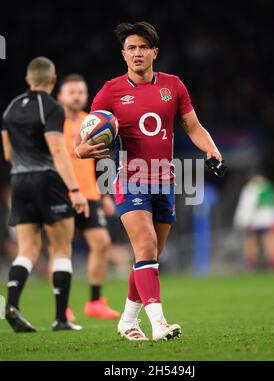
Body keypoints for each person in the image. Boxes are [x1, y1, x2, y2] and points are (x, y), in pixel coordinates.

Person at [75, 22, 222, 341]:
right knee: (144, 246)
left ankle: (127, 321)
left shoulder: (174, 86)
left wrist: (211, 148)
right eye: (131, 48)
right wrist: (81, 148)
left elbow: (192, 126)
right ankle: (160, 324)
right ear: (123, 54)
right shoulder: (111, 90)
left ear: (154, 52)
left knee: (149, 256)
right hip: (129, 178)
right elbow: (85, 133)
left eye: (143, 47)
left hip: (165, 181)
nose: (138, 53)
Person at [0, 57, 107, 332]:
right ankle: (61, 318)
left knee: (27, 250)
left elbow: (9, 154)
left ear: (27, 80)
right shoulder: (51, 108)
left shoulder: (10, 109)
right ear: (52, 80)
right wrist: (75, 190)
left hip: (19, 181)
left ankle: (11, 304)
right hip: (47, 181)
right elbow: (59, 152)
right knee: (61, 248)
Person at [49, 74, 119, 320]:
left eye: (81, 92)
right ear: (60, 96)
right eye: (72, 92)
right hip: (60, 193)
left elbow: (100, 161)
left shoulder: (91, 124)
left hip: (89, 193)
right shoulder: (52, 124)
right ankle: (63, 307)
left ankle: (95, 301)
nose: (77, 96)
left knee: (102, 243)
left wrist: (105, 194)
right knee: (61, 249)